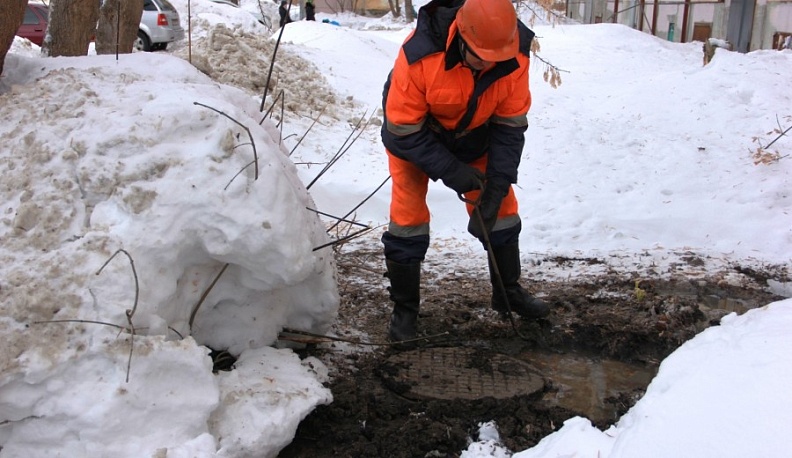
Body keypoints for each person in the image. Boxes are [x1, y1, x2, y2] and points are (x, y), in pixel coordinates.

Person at [380, 0, 550, 343]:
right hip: (416, 139)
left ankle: (508, 293)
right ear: (461, 37)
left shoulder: (515, 56)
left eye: (495, 58)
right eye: (480, 56)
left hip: (476, 135)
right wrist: (451, 172)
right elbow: (401, 129)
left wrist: (498, 186)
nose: (488, 63)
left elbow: (509, 127)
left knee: (501, 211)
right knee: (408, 218)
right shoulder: (419, 55)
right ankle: (405, 311)